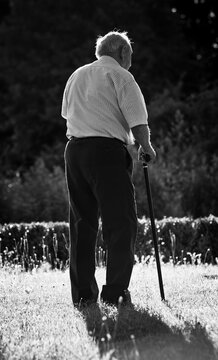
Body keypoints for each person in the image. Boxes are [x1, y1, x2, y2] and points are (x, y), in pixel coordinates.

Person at [61, 30, 156, 306]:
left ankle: (83, 295)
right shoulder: (122, 76)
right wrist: (146, 147)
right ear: (123, 53)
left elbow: (67, 113)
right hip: (106, 152)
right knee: (121, 222)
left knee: (82, 223)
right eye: (131, 55)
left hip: (75, 151)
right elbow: (137, 119)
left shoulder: (77, 75)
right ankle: (115, 293)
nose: (131, 61)